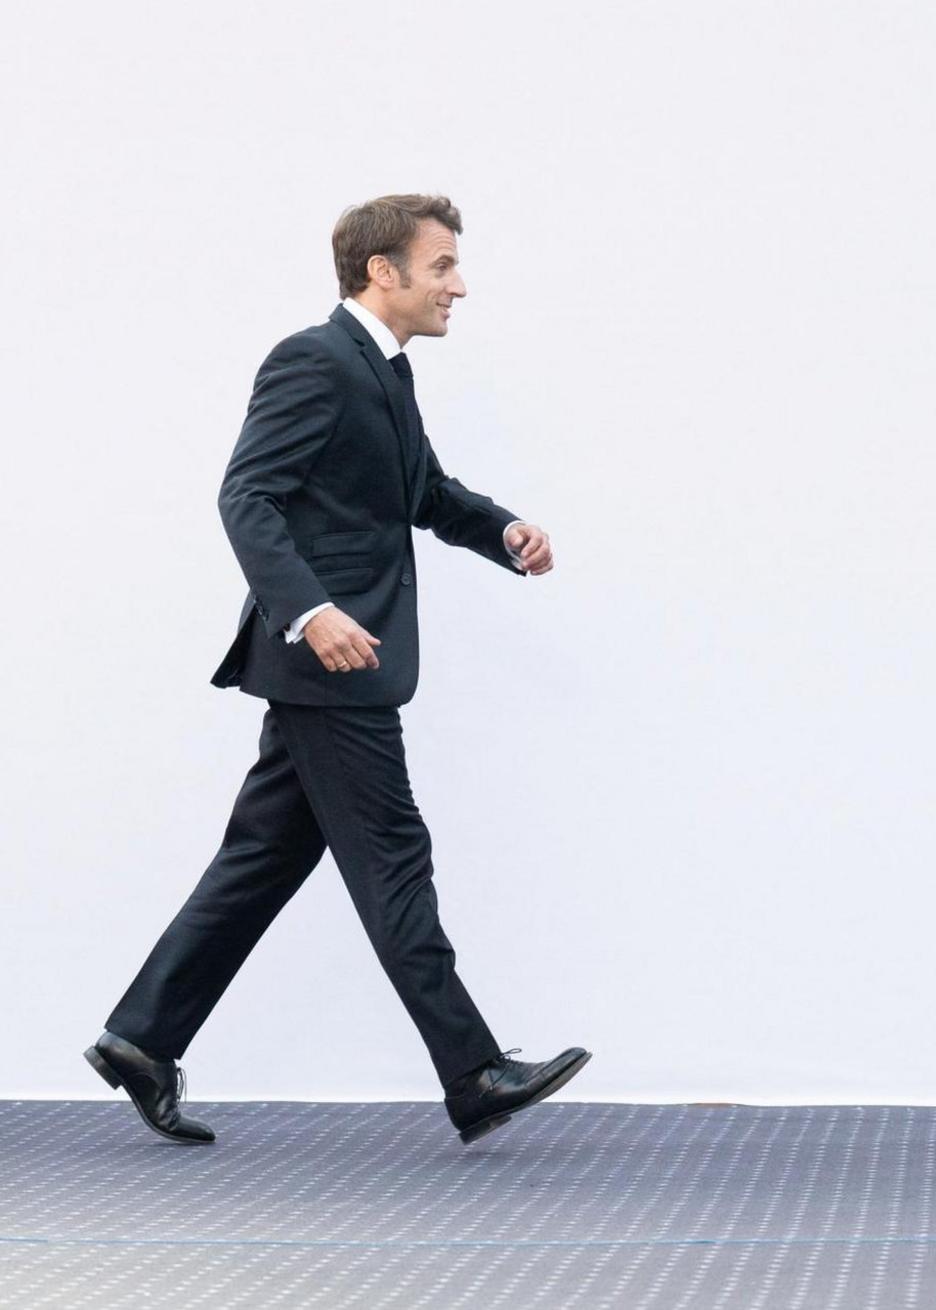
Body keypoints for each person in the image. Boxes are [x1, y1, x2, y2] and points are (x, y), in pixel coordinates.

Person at [86, 195, 590, 1147]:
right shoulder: (313, 360)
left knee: (264, 857)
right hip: (330, 662)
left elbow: (422, 493)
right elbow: (247, 495)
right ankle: (474, 1071)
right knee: (395, 856)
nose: (461, 285)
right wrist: (310, 613)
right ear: (382, 273)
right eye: (442, 266)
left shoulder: (386, 373)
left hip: (343, 662)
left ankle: (141, 1041)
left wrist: (503, 531)